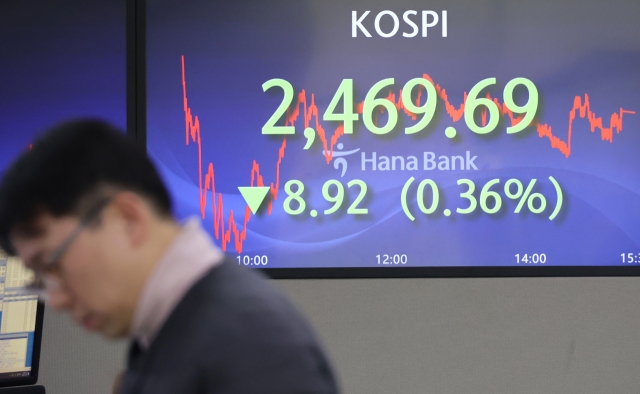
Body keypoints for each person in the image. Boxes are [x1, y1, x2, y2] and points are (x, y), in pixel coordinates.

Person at [0, 119, 339, 394]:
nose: (55, 299)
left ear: (128, 219)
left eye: (52, 264)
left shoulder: (252, 349)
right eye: (40, 279)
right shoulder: (169, 326)